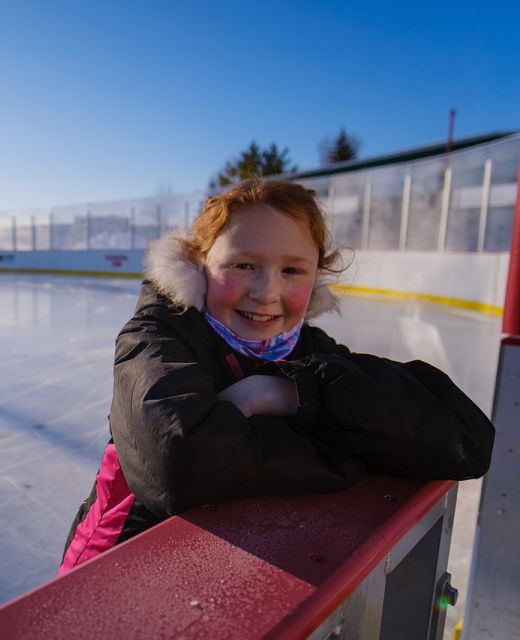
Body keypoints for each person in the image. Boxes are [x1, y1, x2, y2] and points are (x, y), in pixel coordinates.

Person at [59, 178, 495, 573]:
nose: (266, 292)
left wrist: (288, 393)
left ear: (316, 275)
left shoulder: (311, 350)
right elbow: (178, 465)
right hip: (112, 570)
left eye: (291, 270)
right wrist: (354, 451)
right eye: (243, 265)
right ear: (199, 263)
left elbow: (466, 443)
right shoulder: (156, 335)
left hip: (227, 572)